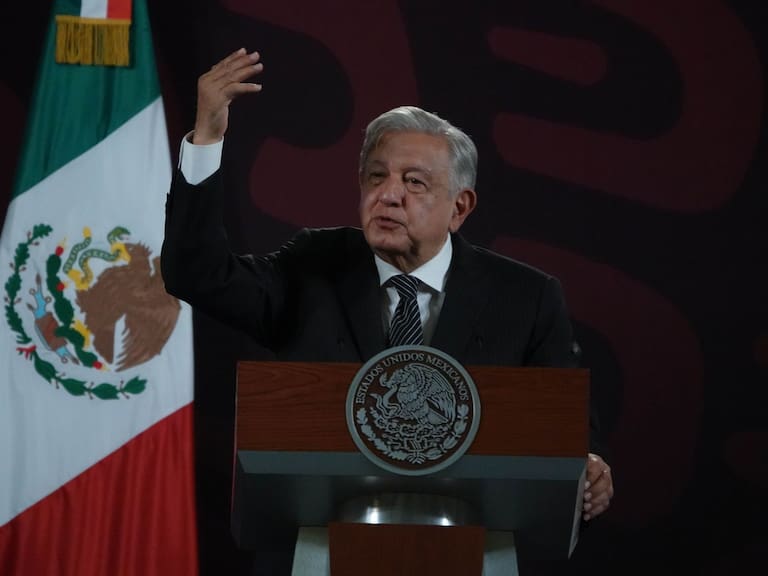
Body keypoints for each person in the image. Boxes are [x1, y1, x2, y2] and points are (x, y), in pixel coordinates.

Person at [161, 46, 614, 564]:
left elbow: (568, 422)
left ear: (459, 207)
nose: (389, 195)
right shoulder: (313, 265)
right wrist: (207, 140)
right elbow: (196, 274)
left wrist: (591, 463)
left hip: (476, 552)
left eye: (414, 182)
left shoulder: (526, 297)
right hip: (322, 552)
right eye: (377, 177)